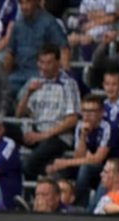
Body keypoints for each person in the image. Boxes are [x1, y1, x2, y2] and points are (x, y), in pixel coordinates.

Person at [48, 94, 119, 208]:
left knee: (85, 168)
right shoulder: (81, 126)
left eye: (91, 112)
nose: (86, 116)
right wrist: (83, 136)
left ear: (101, 113)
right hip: (96, 166)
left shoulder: (110, 127)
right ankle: (61, 205)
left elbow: (97, 159)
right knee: (60, 169)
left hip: (116, 167)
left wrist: (66, 163)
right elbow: (78, 156)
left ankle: (85, 208)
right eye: (84, 111)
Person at [14, 44, 81, 181]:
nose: (44, 67)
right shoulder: (34, 82)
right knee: (5, 130)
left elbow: (72, 120)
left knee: (29, 165)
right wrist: (28, 93)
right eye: (41, 62)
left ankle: (36, 191)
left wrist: (43, 136)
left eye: (49, 63)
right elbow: (19, 114)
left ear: (58, 62)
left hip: (58, 136)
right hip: (36, 131)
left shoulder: (68, 84)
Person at [4, 0, 69, 97]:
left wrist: (65, 75)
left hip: (39, 75)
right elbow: (10, 53)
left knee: (23, 95)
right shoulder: (17, 25)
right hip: (18, 74)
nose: (24, 7)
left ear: (36, 2)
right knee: (0, 91)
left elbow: (63, 49)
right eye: (21, 3)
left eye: (27, 3)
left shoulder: (49, 23)